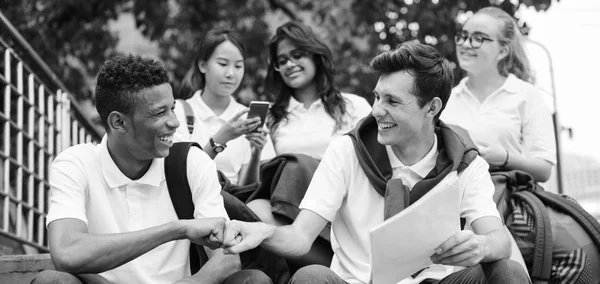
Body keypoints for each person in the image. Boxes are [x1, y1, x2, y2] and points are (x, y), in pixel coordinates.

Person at [221, 41, 530, 284]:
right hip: (357, 281)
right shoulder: (346, 151)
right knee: (310, 277)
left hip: (437, 281)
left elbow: (497, 237)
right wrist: (262, 232)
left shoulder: (463, 160)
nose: (377, 110)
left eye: (393, 101)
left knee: (507, 271)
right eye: (377, 97)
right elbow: (300, 237)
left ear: (431, 108)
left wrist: (480, 246)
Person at [33, 55, 271, 284]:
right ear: (119, 122)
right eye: (160, 113)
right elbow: (66, 253)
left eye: (173, 108)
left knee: (253, 280)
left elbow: (227, 260)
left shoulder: (192, 161)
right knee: (51, 281)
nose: (175, 122)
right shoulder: (75, 163)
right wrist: (177, 229)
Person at [441, 7, 556, 182]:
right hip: (455, 204)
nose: (465, 44)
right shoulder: (446, 100)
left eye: (478, 38)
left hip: (507, 203)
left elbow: (544, 170)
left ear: (502, 51)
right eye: (463, 36)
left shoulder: (526, 95)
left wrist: (505, 158)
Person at [174, 27, 275, 186]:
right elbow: (180, 174)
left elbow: (248, 191)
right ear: (203, 65)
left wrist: (256, 154)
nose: (231, 74)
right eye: (223, 64)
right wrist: (221, 139)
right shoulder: (178, 112)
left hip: (233, 205)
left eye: (238, 66)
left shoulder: (246, 117)